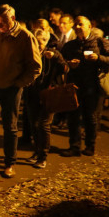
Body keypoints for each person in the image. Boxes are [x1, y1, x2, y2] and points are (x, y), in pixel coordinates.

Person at [0, 4, 42, 178]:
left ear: (12, 19)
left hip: (11, 88)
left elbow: (35, 66)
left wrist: (19, 83)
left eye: (2, 23)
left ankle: (9, 163)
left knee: (10, 127)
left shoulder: (25, 37)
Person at [60, 16, 109, 157]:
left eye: (81, 24)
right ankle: (74, 147)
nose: (77, 27)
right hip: (74, 85)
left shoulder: (99, 42)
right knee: (73, 117)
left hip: (92, 86)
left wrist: (98, 58)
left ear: (89, 27)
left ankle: (90, 146)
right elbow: (61, 62)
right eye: (76, 24)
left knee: (90, 117)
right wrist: (69, 64)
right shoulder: (70, 45)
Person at [24, 29, 66, 168]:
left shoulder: (52, 53)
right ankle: (37, 152)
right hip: (32, 93)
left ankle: (43, 156)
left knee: (43, 124)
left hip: (48, 93)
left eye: (42, 40)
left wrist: (55, 57)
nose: (39, 43)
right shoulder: (30, 53)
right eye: (36, 40)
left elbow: (65, 68)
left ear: (47, 41)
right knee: (33, 123)